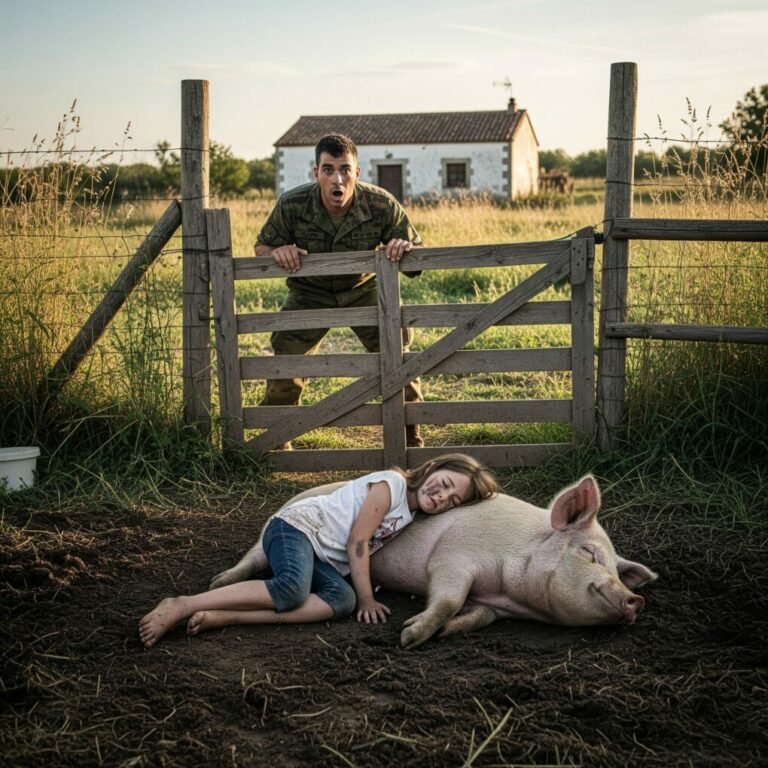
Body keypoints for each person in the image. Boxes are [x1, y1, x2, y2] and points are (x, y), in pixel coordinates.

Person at [138, 453, 498, 648]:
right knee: (294, 588)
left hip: (320, 554)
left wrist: (356, 597)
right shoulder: (392, 484)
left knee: (340, 602)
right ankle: (183, 604)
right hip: (296, 528)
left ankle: (228, 616)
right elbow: (358, 542)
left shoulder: (410, 512)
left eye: (452, 500)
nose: (441, 497)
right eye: (445, 484)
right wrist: (367, 598)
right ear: (433, 466)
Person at [254, 133, 426, 448]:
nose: (338, 178)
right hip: (309, 291)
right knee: (288, 354)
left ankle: (408, 431)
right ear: (316, 172)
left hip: (362, 286)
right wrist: (276, 253)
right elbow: (262, 247)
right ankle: (277, 435)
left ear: (357, 173)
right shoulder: (293, 204)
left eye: (345, 169)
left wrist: (405, 248)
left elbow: (416, 260)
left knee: (395, 345)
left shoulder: (380, 203)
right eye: (329, 169)